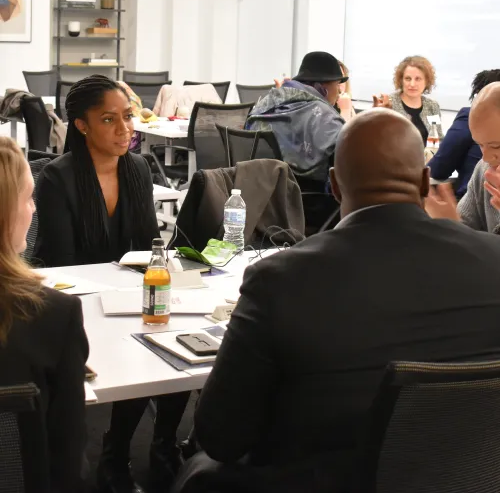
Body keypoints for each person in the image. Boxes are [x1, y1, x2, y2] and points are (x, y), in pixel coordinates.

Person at [176, 108, 500, 493]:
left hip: (319, 480)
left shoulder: (280, 280)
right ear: (425, 180)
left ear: (333, 185)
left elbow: (221, 437)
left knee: (200, 468)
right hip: (471, 476)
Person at [33, 75, 189, 493]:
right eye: (108, 120)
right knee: (141, 341)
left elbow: (144, 246)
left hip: (125, 292)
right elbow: (65, 265)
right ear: (81, 126)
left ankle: (164, 443)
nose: (125, 130)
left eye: (128, 117)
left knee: (178, 340)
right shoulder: (57, 178)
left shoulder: (137, 169)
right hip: (76, 301)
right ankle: (115, 456)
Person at [0, 137, 88, 492]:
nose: (33, 210)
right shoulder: (53, 315)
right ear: (7, 213)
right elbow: (67, 458)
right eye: (27, 198)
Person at [247, 51, 346, 193]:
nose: (339, 92)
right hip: (309, 205)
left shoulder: (265, 104)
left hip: (260, 196)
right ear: (322, 88)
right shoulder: (326, 118)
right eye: (337, 84)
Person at [426, 81, 500, 233]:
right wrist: (449, 225)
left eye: (496, 146)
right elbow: (465, 231)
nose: (485, 157)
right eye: (479, 145)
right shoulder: (483, 170)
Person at [373, 55, 443, 144]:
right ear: (401, 80)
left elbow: (439, 140)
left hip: (427, 157)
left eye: (418, 79)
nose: (412, 84)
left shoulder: (432, 106)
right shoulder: (388, 103)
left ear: (427, 81)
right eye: (408, 79)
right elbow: (378, 138)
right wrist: (377, 115)